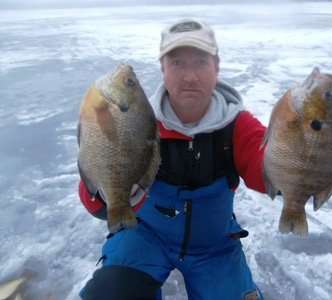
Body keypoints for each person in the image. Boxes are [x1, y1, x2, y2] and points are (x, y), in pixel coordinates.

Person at [79, 18, 268, 300]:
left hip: (213, 245)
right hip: (145, 235)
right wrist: (114, 190)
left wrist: (303, 153)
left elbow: (269, 171)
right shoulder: (137, 121)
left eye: (201, 63)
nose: (189, 76)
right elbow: (93, 200)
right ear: (163, 69)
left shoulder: (238, 125)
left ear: (217, 69)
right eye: (177, 63)